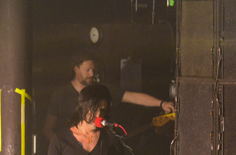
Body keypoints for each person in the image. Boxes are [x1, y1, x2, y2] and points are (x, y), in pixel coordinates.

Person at [43, 51, 174, 143]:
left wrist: (161, 103)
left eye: (93, 70)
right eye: (87, 70)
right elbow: (48, 129)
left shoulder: (101, 90)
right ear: (76, 69)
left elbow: (134, 97)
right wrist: (62, 150)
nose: (92, 74)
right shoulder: (61, 94)